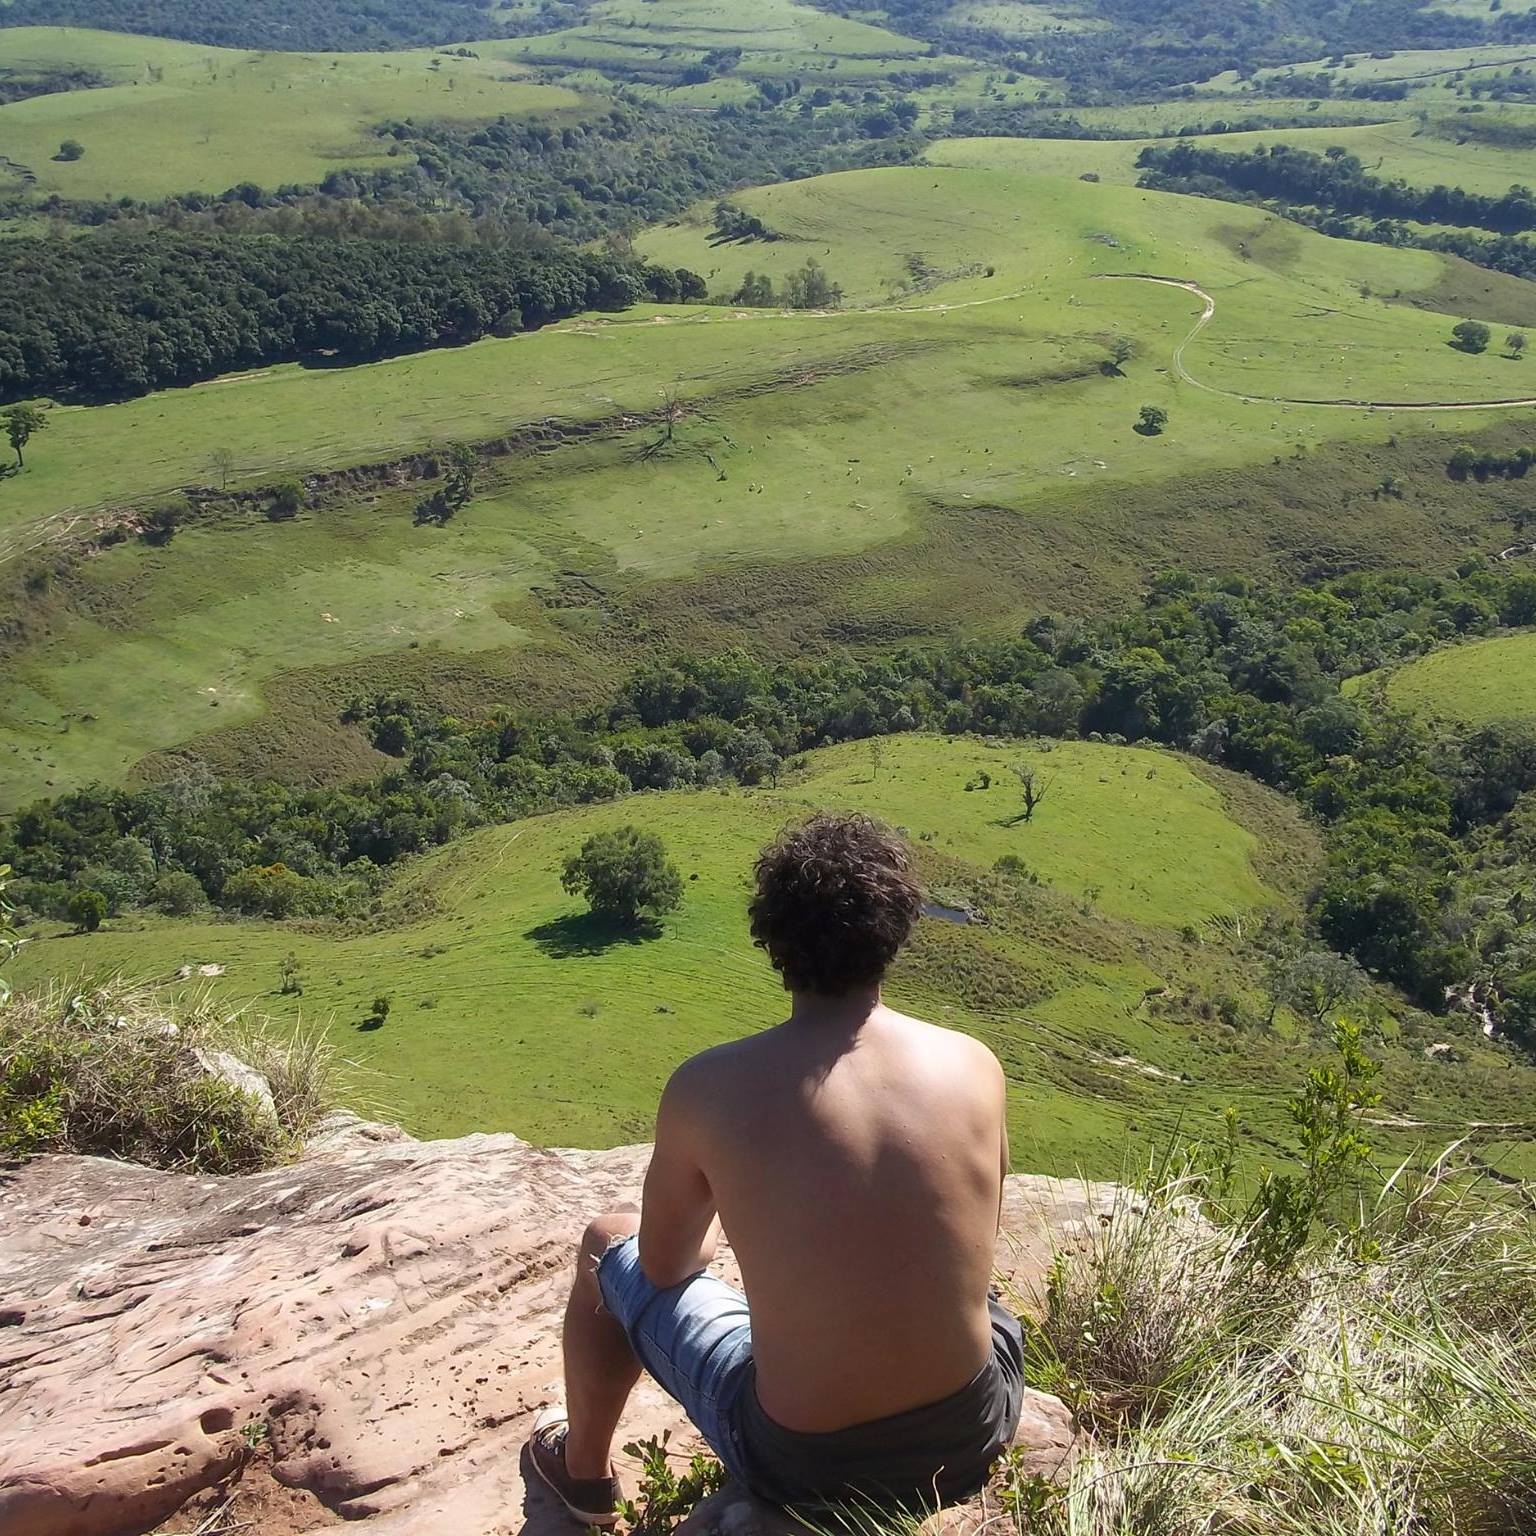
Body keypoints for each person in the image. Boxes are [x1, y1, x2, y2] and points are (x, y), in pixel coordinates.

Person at [528, 813, 1022, 1522]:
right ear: (896, 930)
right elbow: (980, 1227)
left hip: (804, 1463)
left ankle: (584, 1480)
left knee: (609, 1242)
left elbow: (664, 1266)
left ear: (772, 940)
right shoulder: (973, 1063)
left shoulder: (709, 1088)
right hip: (971, 1431)